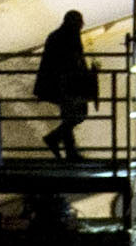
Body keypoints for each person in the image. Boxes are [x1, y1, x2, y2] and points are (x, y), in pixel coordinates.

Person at [35, 9, 93, 162]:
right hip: (68, 84)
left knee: (69, 116)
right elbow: (76, 59)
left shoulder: (56, 35)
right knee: (79, 114)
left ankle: (69, 150)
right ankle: (56, 140)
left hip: (57, 84)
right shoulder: (71, 36)